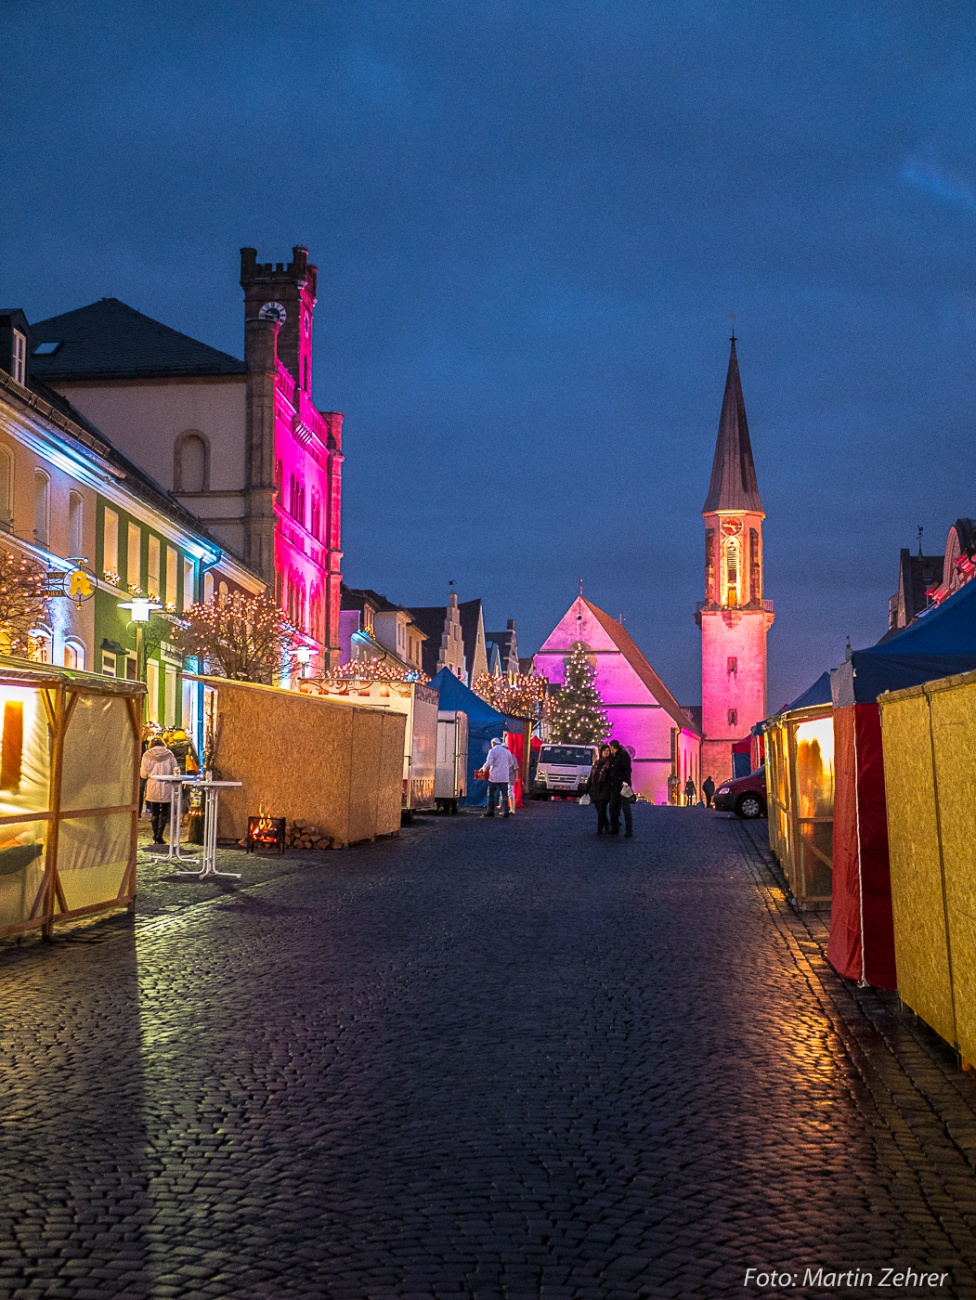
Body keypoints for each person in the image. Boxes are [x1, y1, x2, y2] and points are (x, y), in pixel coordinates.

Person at [141, 735, 180, 845]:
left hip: (152, 785)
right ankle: (160, 835)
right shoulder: (169, 754)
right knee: (165, 812)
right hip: (166, 785)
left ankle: (155, 835)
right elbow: (175, 769)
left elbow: (143, 774)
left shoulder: (147, 755)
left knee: (155, 812)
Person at [482, 738, 515, 817]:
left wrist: (483, 768)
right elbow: (511, 763)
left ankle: (490, 811)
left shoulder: (492, 751)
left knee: (491, 794)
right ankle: (505, 812)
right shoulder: (507, 752)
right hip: (504, 777)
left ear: (493, 743)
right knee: (505, 795)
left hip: (494, 776)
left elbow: (489, 762)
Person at [608, 739, 634, 837]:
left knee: (625, 808)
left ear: (612, 747)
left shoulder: (622, 756)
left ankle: (629, 830)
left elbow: (627, 770)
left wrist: (625, 782)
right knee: (613, 807)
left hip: (622, 786)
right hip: (614, 786)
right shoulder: (614, 757)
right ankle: (615, 828)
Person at [588, 743, 613, 833]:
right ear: (601, 752)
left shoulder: (611, 764)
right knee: (599, 810)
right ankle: (606, 825)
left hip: (605, 789)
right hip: (595, 790)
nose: (606, 753)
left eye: (608, 751)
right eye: (604, 751)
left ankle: (600, 828)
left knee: (602, 808)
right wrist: (587, 789)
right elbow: (591, 777)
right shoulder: (597, 763)